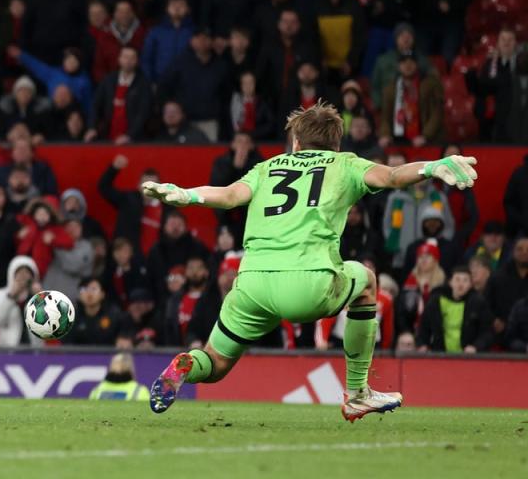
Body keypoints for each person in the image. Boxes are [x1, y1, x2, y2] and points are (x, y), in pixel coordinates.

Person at [142, 101, 478, 421]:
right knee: (367, 282)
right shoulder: (346, 164)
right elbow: (392, 177)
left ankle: (188, 362)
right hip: (308, 283)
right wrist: (432, 167)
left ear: (296, 141)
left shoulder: (267, 167)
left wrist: (187, 194)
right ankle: (357, 392)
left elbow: (229, 196)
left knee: (215, 363)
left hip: (252, 285)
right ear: (336, 142)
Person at [416, 266, 493, 353]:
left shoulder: (478, 303)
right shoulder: (436, 301)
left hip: (468, 356)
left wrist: (476, 347)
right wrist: (423, 345)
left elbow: (487, 332)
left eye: (465, 280)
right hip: (440, 354)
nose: (461, 284)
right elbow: (423, 328)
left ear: (471, 285)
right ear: (450, 282)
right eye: (457, 280)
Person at [0, 254, 42, 347]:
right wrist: (11, 296)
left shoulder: (38, 295)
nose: (23, 276)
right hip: (8, 350)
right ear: (12, 274)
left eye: (27, 272)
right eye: (20, 272)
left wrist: (41, 299)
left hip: (35, 350)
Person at [69, 277, 121, 345]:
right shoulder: (71, 317)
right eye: (84, 289)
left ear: (102, 294)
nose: (89, 293)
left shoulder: (114, 315)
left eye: (94, 289)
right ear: (79, 295)